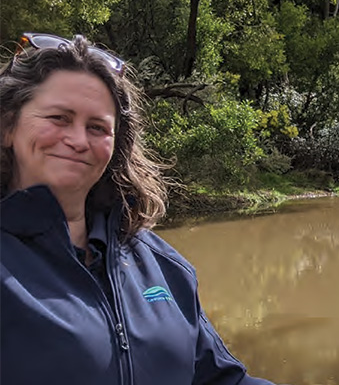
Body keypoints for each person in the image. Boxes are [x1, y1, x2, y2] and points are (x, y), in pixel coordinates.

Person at [0, 33, 279, 385]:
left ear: (116, 146)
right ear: (8, 127)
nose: (78, 140)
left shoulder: (161, 265)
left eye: (98, 127)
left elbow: (220, 380)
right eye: (59, 118)